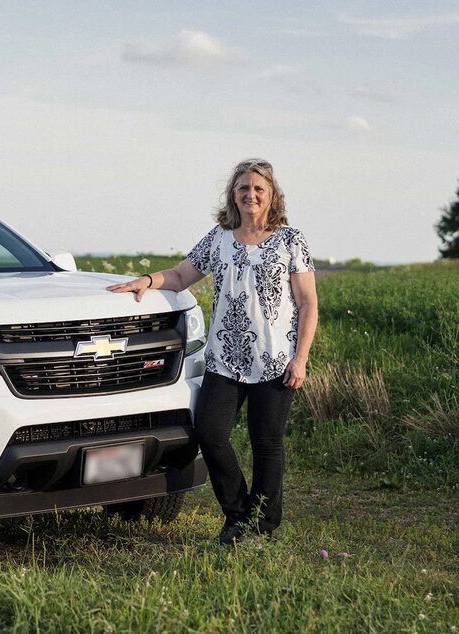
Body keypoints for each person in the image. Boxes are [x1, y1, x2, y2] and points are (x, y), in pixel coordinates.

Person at [108, 158, 318, 544]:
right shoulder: (219, 238)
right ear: (232, 195)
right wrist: (148, 280)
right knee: (210, 432)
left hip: (274, 361)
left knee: (266, 442)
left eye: (259, 188)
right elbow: (181, 275)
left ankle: (263, 525)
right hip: (224, 358)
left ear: (272, 195)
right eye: (243, 188)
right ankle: (238, 515)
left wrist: (300, 358)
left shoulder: (291, 241)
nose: (250, 194)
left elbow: (308, 303)